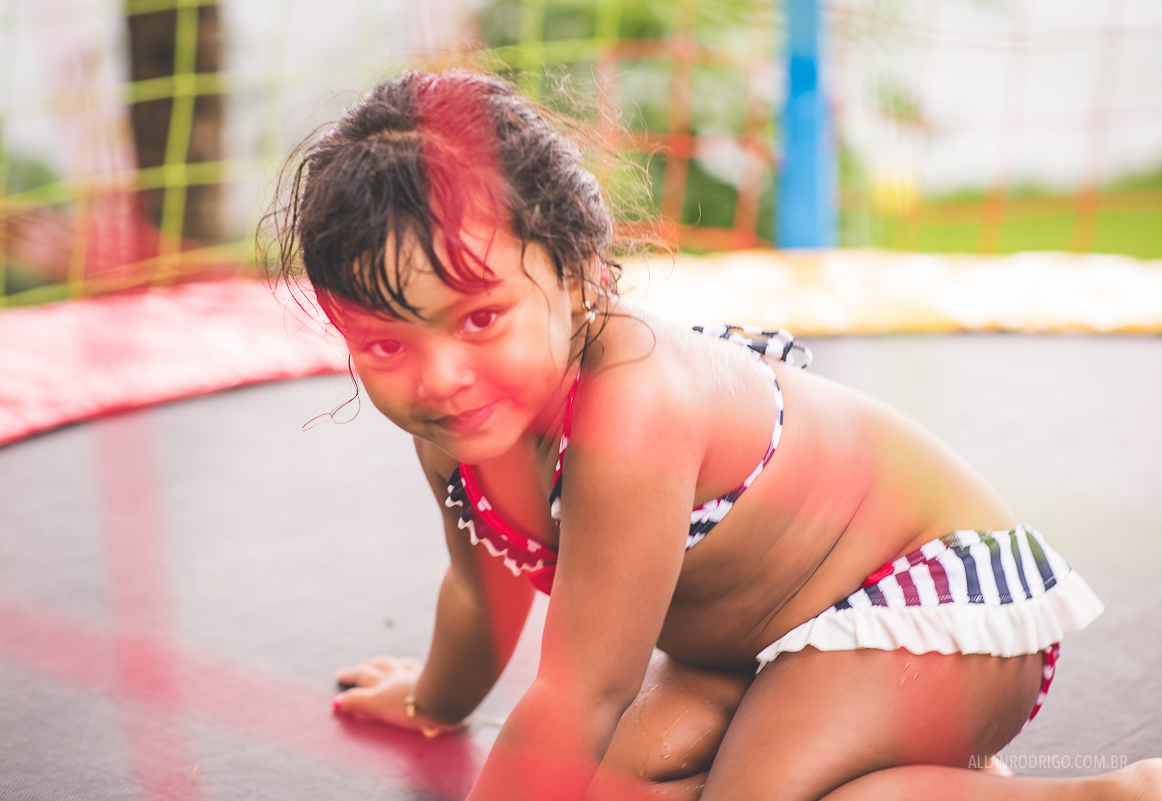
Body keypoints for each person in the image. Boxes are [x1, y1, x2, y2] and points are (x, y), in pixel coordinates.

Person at [270, 69, 1158, 800]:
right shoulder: (458, 419)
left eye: (479, 320)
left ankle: (1087, 794)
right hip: (755, 649)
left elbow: (583, 691)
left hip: (931, 608)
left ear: (578, 278)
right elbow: (475, 598)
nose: (439, 376)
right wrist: (433, 701)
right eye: (386, 340)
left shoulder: (633, 412)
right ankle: (894, 762)